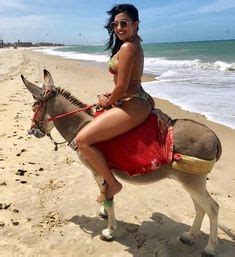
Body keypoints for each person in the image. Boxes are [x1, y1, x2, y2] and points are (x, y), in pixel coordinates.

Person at [74, 4, 155, 201]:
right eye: (115, 24)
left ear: (135, 24)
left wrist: (106, 101)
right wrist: (113, 95)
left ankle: (113, 183)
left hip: (133, 103)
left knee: (81, 141)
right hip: (139, 98)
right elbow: (128, 83)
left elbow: (121, 87)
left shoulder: (127, 47)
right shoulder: (135, 43)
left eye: (124, 23)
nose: (119, 28)